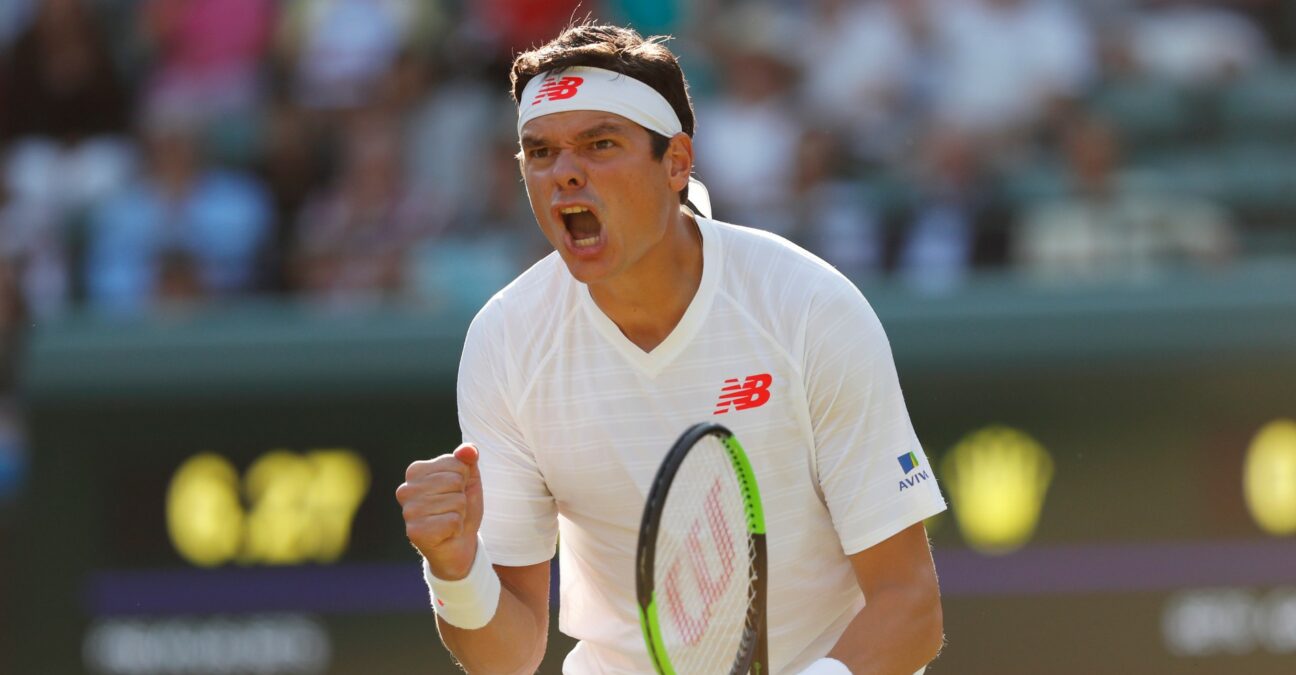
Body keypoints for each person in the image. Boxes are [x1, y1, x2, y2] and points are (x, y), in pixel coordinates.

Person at [396, 22, 946, 675]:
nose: (565, 173)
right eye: (539, 153)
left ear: (677, 163)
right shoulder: (504, 340)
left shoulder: (807, 307)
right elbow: (509, 654)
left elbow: (909, 602)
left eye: (599, 144)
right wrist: (456, 571)